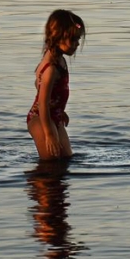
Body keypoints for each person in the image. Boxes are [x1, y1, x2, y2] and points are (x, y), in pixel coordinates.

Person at [27, 9, 85, 159]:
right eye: (73, 39)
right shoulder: (51, 68)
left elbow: (38, 84)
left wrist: (58, 108)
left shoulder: (59, 60)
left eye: (78, 39)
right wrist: (49, 134)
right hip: (41, 117)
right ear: (58, 37)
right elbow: (42, 103)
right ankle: (41, 182)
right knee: (51, 162)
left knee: (66, 157)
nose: (77, 44)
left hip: (54, 114)